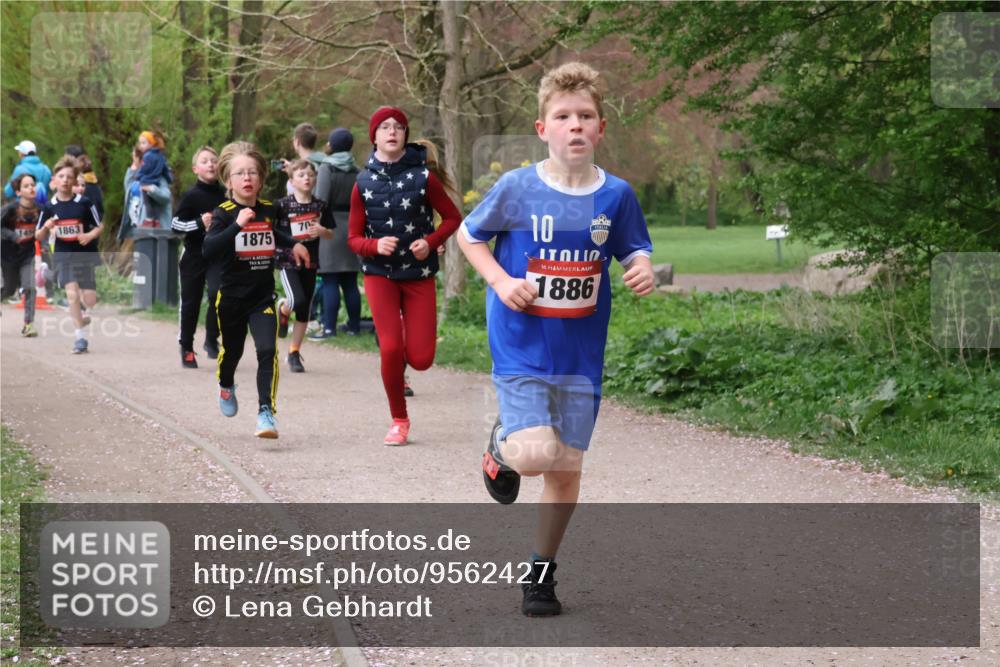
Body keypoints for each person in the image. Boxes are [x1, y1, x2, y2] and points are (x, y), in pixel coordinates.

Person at [458, 62, 655, 616]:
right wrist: (501, 281)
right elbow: (469, 237)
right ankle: (502, 446)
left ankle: (540, 575)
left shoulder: (616, 195)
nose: (575, 126)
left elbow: (633, 248)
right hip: (522, 344)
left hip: (580, 354)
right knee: (535, 455)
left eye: (585, 116)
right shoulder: (517, 187)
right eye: (563, 117)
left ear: (601, 128)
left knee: (565, 471)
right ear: (543, 129)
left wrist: (641, 268)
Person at [347, 106, 462, 445]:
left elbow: (453, 218)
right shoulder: (362, 182)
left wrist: (431, 242)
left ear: (405, 135)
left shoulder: (424, 177)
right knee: (391, 348)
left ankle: (406, 342)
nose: (392, 131)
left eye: (398, 127)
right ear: (374, 137)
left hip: (418, 274)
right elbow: (353, 238)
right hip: (379, 274)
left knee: (421, 359)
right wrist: (374, 245)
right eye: (385, 127)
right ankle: (399, 420)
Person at [202, 141, 309, 438]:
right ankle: (226, 385)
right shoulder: (223, 213)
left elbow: (272, 232)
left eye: (252, 172)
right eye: (240, 173)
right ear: (229, 181)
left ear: (261, 179)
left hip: (261, 297)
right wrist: (236, 225)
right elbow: (209, 249)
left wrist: (294, 244)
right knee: (232, 353)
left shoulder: (268, 209)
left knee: (267, 350)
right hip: (231, 298)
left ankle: (266, 413)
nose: (247, 178)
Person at [35, 156, 104, 354]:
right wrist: (46, 227)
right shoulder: (49, 206)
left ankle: (80, 316)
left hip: (85, 254)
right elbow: (38, 235)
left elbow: (99, 226)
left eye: (69, 177)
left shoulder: (84, 202)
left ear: (74, 181)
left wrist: (89, 235)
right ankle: (80, 338)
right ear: (54, 180)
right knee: (72, 293)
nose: (65, 180)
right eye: (61, 176)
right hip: (63, 256)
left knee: (90, 300)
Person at [275, 159, 334, 373]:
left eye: (310, 174)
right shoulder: (281, 205)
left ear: (315, 179)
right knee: (296, 299)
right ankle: (283, 308)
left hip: (311, 261)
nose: (306, 178)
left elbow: (330, 233)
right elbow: (271, 230)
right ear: (291, 181)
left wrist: (322, 231)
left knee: (304, 309)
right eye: (301, 175)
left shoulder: (321, 206)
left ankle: (294, 352)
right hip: (287, 261)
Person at [171, 146, 226, 368]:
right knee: (190, 302)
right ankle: (186, 347)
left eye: (214, 160)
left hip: (218, 256)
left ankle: (212, 338)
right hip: (194, 254)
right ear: (195, 169)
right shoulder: (191, 195)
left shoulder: (226, 194)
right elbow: (175, 225)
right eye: (205, 161)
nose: (210, 164)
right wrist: (198, 223)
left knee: (219, 294)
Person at [311, 127, 361, 340]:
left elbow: (321, 199)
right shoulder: (357, 170)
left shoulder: (326, 168)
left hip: (330, 227)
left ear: (332, 145)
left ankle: (329, 328)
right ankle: (354, 327)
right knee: (350, 281)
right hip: (353, 227)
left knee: (330, 279)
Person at [1, 174, 41, 337]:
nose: (31, 188)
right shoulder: (10, 209)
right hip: (8, 255)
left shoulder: (40, 210)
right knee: (9, 290)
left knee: (30, 287)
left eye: (33, 185)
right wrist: (12, 236)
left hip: (27, 255)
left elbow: (42, 230)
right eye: (26, 186)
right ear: (18, 192)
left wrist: (45, 244)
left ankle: (28, 324)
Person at [4, 140, 51, 205]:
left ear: (22, 154)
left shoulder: (20, 169)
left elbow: (8, 192)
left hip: (24, 206)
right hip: (43, 206)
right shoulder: (46, 169)